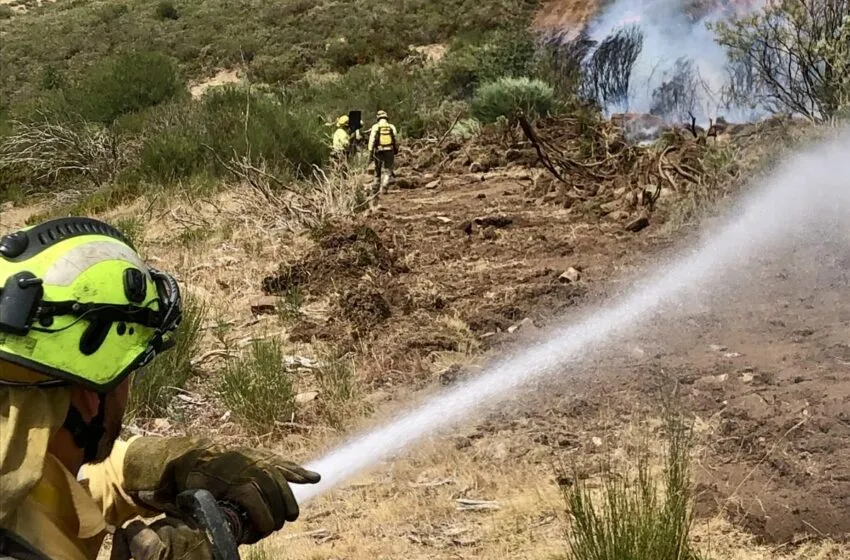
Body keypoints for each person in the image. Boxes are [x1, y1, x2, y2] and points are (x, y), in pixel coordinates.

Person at [0, 217, 321, 560]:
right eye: (125, 374)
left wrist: (171, 463)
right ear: (90, 398)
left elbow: (77, 481)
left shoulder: (19, 459)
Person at [367, 110, 399, 195]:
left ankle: (376, 188)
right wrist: (396, 149)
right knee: (388, 169)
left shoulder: (375, 127)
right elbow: (396, 139)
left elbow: (371, 140)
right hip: (389, 150)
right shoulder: (391, 127)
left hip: (378, 150)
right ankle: (385, 185)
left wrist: (370, 151)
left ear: (378, 118)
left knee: (377, 170)